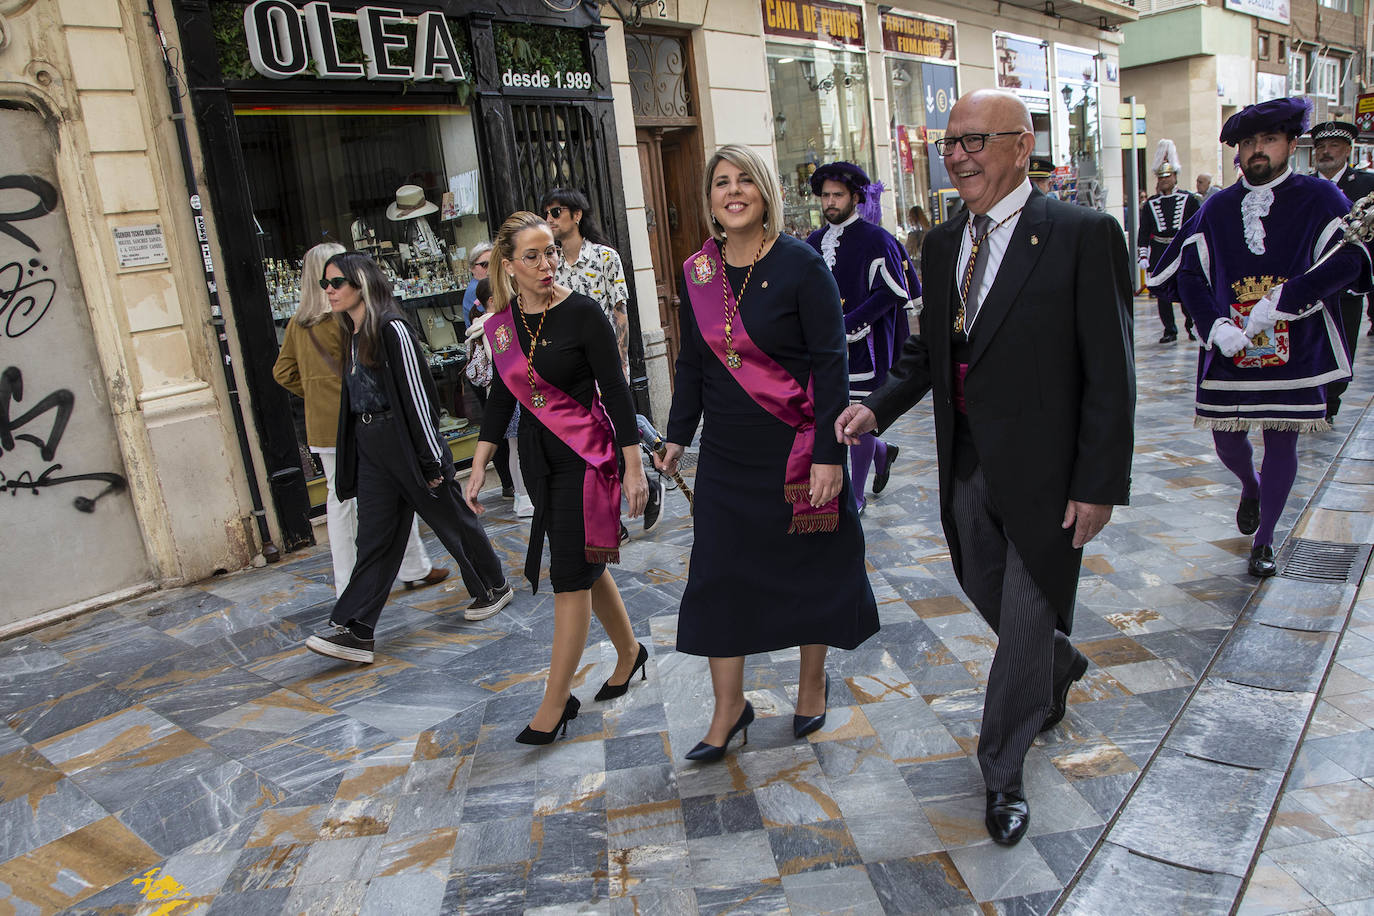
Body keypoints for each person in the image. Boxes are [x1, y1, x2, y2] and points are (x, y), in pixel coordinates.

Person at [836, 89, 1136, 847]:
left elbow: (1112, 371)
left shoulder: (1081, 234)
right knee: (980, 580)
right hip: (969, 460)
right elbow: (928, 351)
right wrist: (878, 406)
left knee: (1027, 618)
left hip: (1050, 474)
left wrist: (1098, 483)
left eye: (976, 140)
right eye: (951, 142)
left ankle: (1002, 770)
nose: (960, 155)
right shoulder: (941, 245)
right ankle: (1058, 663)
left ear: (1021, 146)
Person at [657, 144, 879, 763]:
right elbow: (694, 360)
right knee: (720, 577)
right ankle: (731, 708)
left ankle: (812, 686)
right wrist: (678, 434)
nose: (732, 192)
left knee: (807, 568)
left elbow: (831, 362)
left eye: (744, 181)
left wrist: (831, 455)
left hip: (797, 448)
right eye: (721, 184)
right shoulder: (697, 271)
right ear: (710, 201)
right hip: (727, 455)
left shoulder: (802, 265)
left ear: (765, 192)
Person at [1149, 98, 1370, 578]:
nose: (1257, 150)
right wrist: (1213, 327)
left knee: (1282, 444)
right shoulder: (1218, 206)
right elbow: (1188, 272)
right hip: (1230, 346)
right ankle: (1249, 485)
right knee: (1226, 443)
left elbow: (1351, 261)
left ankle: (1266, 538)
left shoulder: (1321, 198)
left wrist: (1289, 299)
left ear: (1292, 144)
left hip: (1298, 346)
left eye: (1268, 140)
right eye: (1248, 142)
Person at [465, 212, 649, 745]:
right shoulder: (502, 324)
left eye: (550, 252)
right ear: (508, 265)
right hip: (539, 461)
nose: (547, 263)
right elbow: (502, 396)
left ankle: (555, 699)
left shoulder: (583, 312)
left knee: (569, 577)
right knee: (585, 558)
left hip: (586, 459)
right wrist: (479, 461)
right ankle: (631, 652)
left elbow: (618, 392)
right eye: (533, 256)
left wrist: (632, 464)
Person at [304, 252, 514, 665]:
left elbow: (418, 396)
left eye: (336, 282)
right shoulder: (352, 331)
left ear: (360, 283)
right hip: (373, 446)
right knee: (376, 536)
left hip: (403, 441)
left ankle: (493, 585)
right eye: (324, 284)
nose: (328, 290)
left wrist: (432, 459)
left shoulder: (391, 327)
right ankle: (357, 628)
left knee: (450, 517)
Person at [273, 242, 449, 597]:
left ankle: (370, 578)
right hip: (359, 420)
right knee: (389, 489)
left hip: (323, 425)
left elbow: (283, 372)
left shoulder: (298, 323)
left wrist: (317, 392)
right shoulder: (343, 320)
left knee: (342, 500)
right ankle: (396, 572)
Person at [540, 187, 664, 534]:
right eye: (546, 213)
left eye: (556, 212)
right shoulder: (549, 263)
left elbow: (620, 312)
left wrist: (620, 363)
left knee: (609, 433)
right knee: (588, 440)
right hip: (570, 371)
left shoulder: (606, 258)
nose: (549, 219)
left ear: (576, 215)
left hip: (605, 366)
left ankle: (644, 488)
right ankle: (622, 507)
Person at [806, 161, 912, 512]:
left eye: (837, 195)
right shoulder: (813, 242)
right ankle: (882, 452)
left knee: (857, 417)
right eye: (825, 196)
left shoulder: (876, 239)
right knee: (834, 416)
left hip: (862, 345)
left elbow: (891, 293)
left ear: (854, 197)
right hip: (822, 348)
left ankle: (855, 495)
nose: (830, 202)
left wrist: (849, 322)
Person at [1311, 119, 1374, 418]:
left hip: (1347, 283)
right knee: (1312, 341)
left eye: (1333, 145)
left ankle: (1331, 402)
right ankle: (1311, 396)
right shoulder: (1304, 186)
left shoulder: (1366, 185)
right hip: (1311, 281)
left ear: (1348, 149)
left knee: (1343, 341)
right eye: (1320, 146)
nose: (1325, 152)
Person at [465, 277, 530, 517]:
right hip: (510, 390)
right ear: (492, 299)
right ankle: (523, 496)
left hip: (496, 391)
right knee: (517, 445)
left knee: (514, 445)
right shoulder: (497, 324)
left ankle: (520, 496)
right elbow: (505, 361)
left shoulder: (477, 324)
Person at [1139, 139, 1201, 343]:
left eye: (1168, 176)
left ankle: (1192, 325)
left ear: (1175, 176)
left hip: (1181, 249)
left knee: (1187, 289)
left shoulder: (1189, 199)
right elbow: (1144, 230)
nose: (1164, 180)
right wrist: (1143, 254)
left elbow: (1197, 227)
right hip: (1158, 251)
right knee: (1163, 293)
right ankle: (1169, 330)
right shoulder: (1150, 204)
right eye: (1161, 177)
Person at [462, 241, 493, 323]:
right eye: (485, 265)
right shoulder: (476, 289)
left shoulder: (487, 284)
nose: (491, 268)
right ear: (472, 268)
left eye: (493, 263)